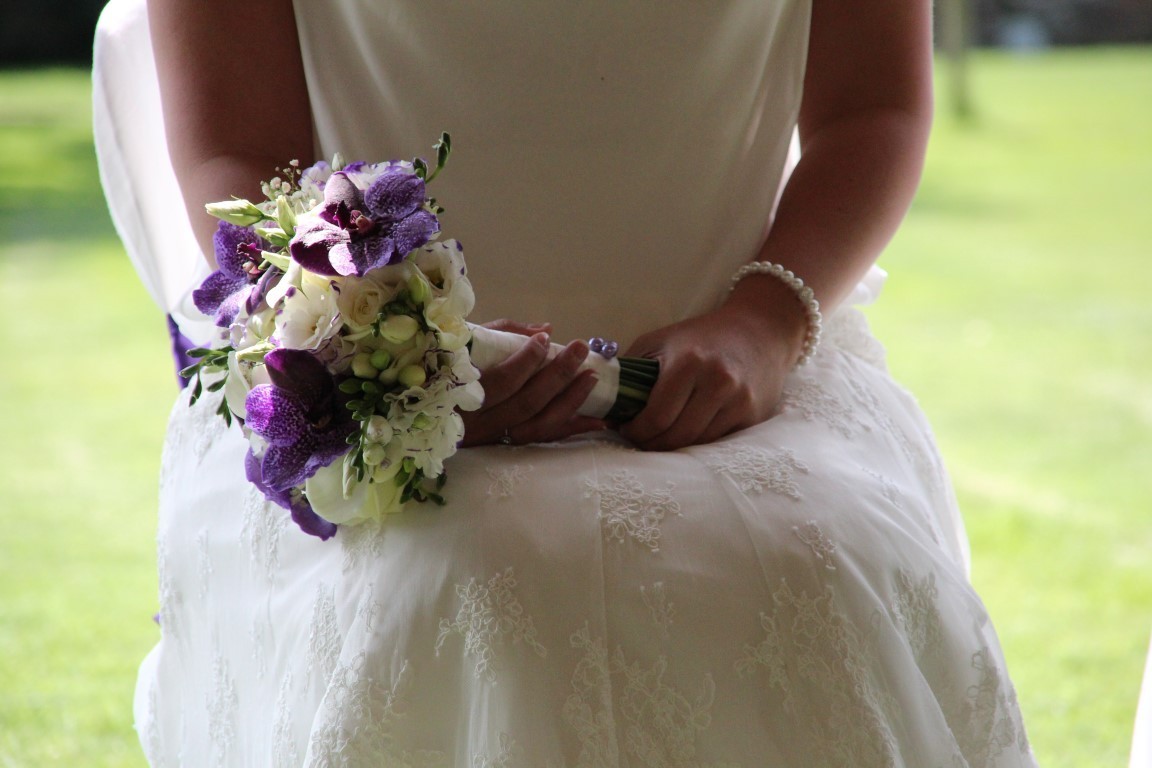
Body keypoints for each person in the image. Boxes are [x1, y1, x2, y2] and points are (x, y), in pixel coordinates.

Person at [94, 0, 1039, 764]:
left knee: (812, 572)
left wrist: (765, 322)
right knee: (456, 589)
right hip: (376, 372)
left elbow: (871, 107)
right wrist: (403, 355)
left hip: (744, 363)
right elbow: (235, 146)